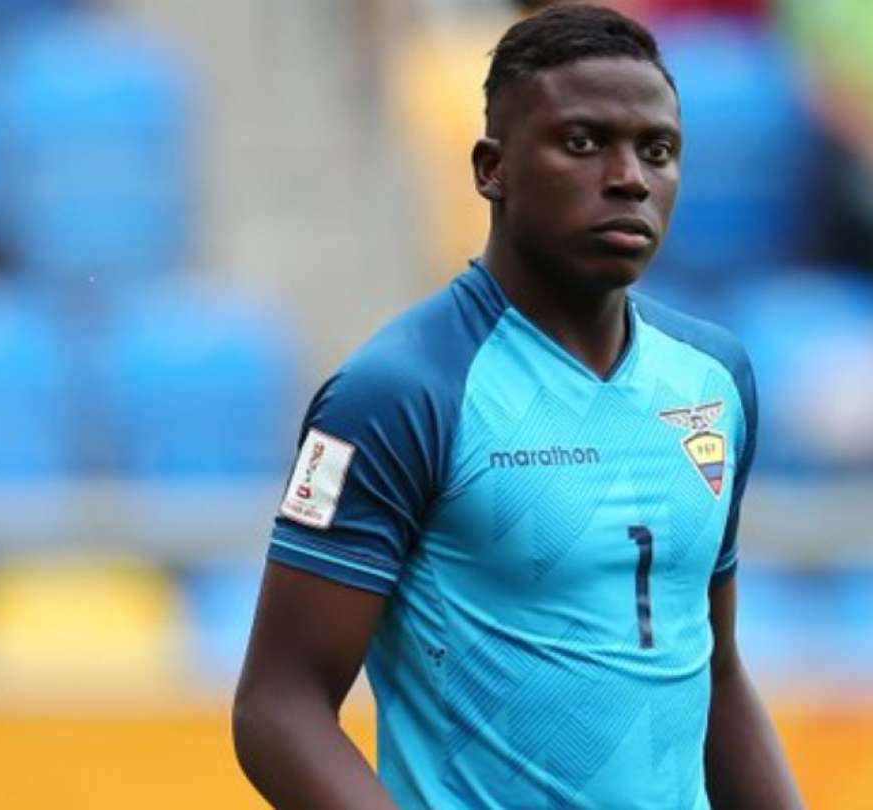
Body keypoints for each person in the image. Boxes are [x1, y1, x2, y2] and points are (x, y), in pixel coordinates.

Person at [232, 5, 805, 808]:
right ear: (491, 169)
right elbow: (278, 706)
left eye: (657, 151)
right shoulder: (399, 395)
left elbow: (716, 669)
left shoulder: (713, 379)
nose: (630, 178)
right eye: (584, 143)